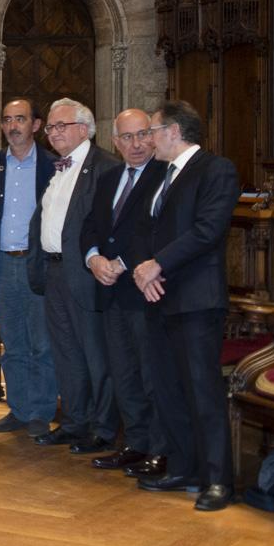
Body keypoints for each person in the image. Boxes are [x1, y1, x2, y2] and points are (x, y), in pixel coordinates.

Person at [132, 101, 240, 511]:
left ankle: (217, 480)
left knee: (202, 390)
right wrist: (146, 269)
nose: (147, 140)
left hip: (196, 298)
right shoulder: (162, 174)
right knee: (169, 390)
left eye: (152, 131)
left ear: (174, 131)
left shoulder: (216, 169)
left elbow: (208, 230)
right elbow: (149, 228)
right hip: (159, 296)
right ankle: (184, 468)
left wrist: (158, 264)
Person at [28, 98, 118, 452]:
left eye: (60, 126)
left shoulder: (106, 167)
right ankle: (75, 421)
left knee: (96, 354)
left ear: (85, 128)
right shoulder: (58, 168)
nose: (53, 133)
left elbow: (108, 226)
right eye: (50, 127)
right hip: (54, 272)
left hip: (86, 273)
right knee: (66, 353)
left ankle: (104, 427)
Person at [81, 109, 168, 473]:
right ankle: (134, 443)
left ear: (154, 135)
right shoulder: (110, 177)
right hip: (110, 291)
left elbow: (155, 230)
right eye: (127, 137)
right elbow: (91, 226)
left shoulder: (165, 175)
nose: (136, 144)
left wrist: (120, 263)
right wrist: (93, 259)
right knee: (124, 373)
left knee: (152, 374)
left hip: (144, 289)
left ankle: (160, 450)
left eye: (142, 134)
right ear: (114, 142)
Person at [0, 98, 58, 438]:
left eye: (20, 119)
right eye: (7, 120)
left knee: (42, 343)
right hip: (2, 262)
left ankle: (41, 411)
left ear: (35, 124)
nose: (13, 126)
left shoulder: (54, 166)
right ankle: (19, 408)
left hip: (37, 263)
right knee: (13, 343)